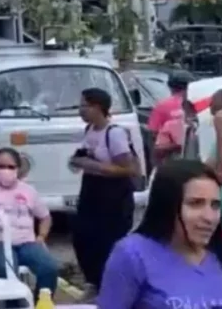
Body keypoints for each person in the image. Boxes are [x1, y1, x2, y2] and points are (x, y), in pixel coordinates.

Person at [97, 159, 222, 308]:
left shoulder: (219, 256)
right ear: (167, 204)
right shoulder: (133, 254)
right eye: (195, 203)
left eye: (215, 205)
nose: (209, 217)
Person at [71, 87, 140, 294]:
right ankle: (94, 281)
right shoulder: (89, 130)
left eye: (84, 106)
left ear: (98, 107)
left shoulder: (114, 133)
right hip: (91, 193)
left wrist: (92, 165)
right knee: (83, 238)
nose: (81, 110)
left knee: (107, 243)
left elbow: (129, 169)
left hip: (113, 197)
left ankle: (112, 288)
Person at [0, 148, 59, 301]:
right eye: (1, 166)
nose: (5, 170)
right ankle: (17, 305)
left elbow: (45, 217)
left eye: (10, 167)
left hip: (27, 243)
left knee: (49, 268)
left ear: (18, 168)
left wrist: (41, 236)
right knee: (6, 271)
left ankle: (41, 302)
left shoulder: (28, 190)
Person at [147, 71, 190, 139]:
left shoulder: (161, 105)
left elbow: (153, 132)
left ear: (170, 86)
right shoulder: (199, 102)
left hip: (172, 147)